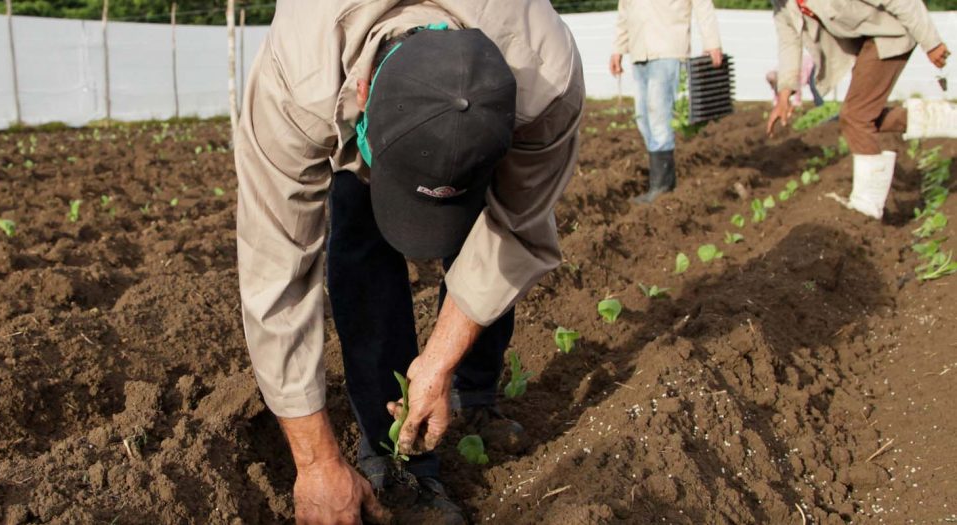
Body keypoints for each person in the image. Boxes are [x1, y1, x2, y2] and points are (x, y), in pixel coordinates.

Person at [233, 1, 583, 523]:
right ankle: (392, 457)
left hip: (503, 90)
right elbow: (275, 275)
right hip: (337, 84)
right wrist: (316, 462)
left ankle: (475, 390)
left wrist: (440, 358)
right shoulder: (297, 80)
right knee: (359, 231)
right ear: (362, 94)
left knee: (481, 234)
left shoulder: (545, 76)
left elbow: (515, 225)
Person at [766, 0, 954, 219]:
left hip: (891, 35)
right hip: (868, 41)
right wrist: (784, 95)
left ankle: (868, 206)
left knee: (855, 116)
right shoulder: (782, 5)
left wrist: (931, 43)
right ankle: (947, 118)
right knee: (864, 117)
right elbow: (789, 43)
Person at [609, 0, 724, 204]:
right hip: (639, 50)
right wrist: (618, 49)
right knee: (643, 118)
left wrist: (712, 42)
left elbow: (702, 4)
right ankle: (659, 183)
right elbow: (624, 11)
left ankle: (663, 187)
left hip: (668, 47)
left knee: (659, 118)